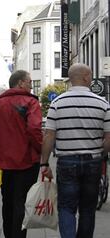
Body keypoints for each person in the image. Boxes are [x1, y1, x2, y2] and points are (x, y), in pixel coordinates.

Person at [41, 63, 110, 238]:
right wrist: (100, 154)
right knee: (88, 209)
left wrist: (44, 163)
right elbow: (109, 139)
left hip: (66, 162)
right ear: (86, 77)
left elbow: (49, 136)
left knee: (66, 207)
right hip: (92, 161)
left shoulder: (57, 103)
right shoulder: (103, 104)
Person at [0, 70, 42, 238]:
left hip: (1, 163)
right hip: (26, 162)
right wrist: (42, 150)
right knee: (22, 202)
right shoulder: (30, 102)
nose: (30, 85)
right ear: (20, 82)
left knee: (8, 202)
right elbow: (35, 129)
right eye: (29, 81)